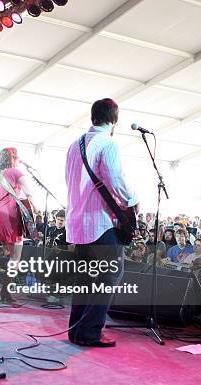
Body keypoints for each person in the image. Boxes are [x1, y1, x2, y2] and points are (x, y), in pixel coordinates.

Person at [65, 98, 138, 348]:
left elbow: (70, 182)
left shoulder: (75, 145)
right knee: (109, 276)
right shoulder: (108, 143)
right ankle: (90, 332)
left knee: (85, 279)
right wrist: (132, 200)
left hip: (78, 224)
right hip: (99, 223)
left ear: (93, 117)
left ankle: (76, 330)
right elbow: (115, 180)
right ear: (114, 120)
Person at [0, 147, 40, 303]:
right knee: (15, 256)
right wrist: (36, 208)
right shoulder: (15, 172)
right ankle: (6, 291)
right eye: (17, 157)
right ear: (14, 158)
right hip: (9, 215)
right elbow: (29, 191)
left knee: (7, 250)